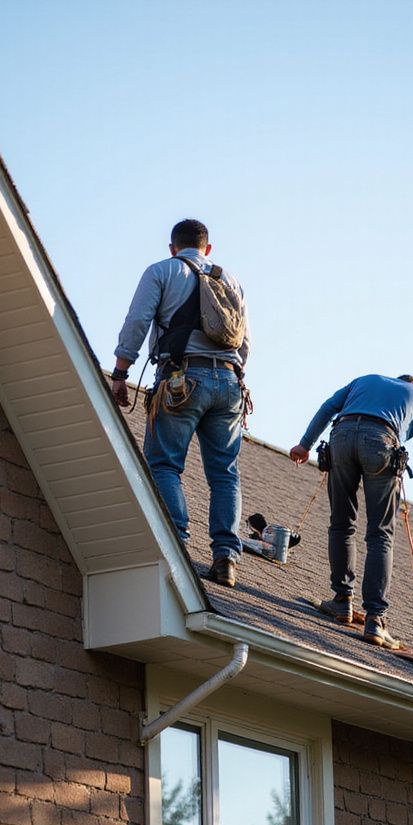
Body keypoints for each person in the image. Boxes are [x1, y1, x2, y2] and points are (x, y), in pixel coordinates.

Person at [111, 219, 250, 588]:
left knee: (164, 463)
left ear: (173, 247)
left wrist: (121, 372)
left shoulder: (162, 270)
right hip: (230, 384)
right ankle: (226, 559)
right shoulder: (230, 280)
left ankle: (177, 547)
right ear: (208, 248)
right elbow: (244, 342)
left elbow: (138, 321)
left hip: (181, 379)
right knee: (225, 473)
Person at [289, 374, 413, 648]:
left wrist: (304, 445)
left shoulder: (366, 380)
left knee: (342, 523)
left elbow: (328, 407)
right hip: (381, 441)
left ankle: (342, 602)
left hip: (342, 437)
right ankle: (375, 620)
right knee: (380, 535)